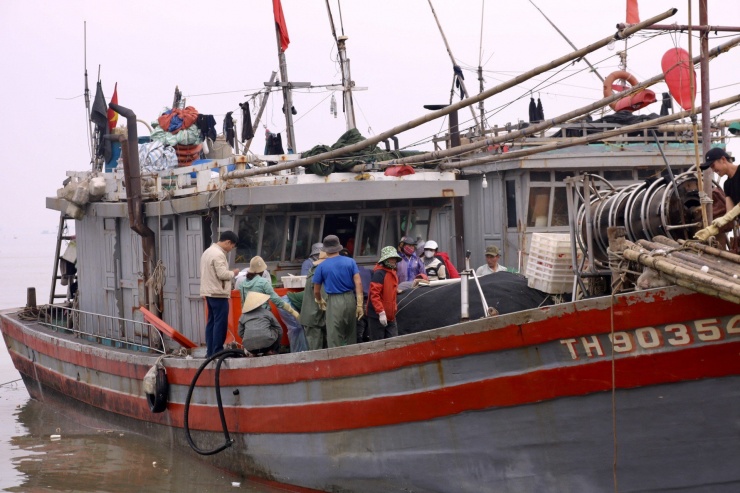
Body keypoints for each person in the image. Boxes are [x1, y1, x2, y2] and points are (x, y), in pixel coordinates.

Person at [312, 235, 363, 348]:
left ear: (325, 250)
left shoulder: (321, 266)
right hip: (350, 299)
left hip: (334, 301)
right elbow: (358, 283)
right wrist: (359, 304)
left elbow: (316, 290)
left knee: (334, 336)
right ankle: (352, 361)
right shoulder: (351, 262)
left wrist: (320, 301)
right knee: (351, 334)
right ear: (339, 247)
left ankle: (337, 364)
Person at [200, 230, 240, 358]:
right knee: (220, 323)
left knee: (211, 323)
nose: (231, 249)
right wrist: (234, 273)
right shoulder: (218, 254)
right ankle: (217, 351)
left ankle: (210, 352)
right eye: (232, 246)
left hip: (209, 292)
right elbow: (222, 274)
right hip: (218, 293)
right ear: (228, 242)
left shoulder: (207, 251)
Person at [237, 255, 300, 324]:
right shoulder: (263, 282)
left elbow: (242, 302)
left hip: (247, 318)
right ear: (262, 270)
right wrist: (292, 311)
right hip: (263, 317)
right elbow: (276, 300)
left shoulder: (242, 284)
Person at [366, 246, 401, 341]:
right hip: (377, 316)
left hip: (390, 315)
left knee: (394, 342)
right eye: (391, 258)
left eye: (394, 258)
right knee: (378, 343)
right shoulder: (379, 273)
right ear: (385, 259)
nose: (394, 260)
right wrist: (381, 312)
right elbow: (374, 295)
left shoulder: (392, 272)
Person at [238, 291, 282, 355]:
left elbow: (240, 333)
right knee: (275, 329)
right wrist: (277, 344)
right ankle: (271, 351)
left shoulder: (243, 316)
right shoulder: (267, 313)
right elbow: (279, 329)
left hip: (250, 348)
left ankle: (254, 353)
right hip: (268, 346)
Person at [300, 251, 328, 350]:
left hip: (312, 316)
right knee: (316, 350)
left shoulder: (312, 270)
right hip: (314, 317)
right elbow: (322, 296)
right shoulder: (319, 273)